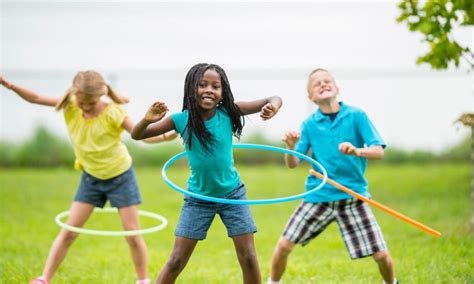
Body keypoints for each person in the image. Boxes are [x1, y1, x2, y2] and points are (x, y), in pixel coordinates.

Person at [0, 71, 176, 284]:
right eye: (81, 102)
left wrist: (166, 136)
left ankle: (143, 280)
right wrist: (11, 86)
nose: (84, 107)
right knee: (69, 232)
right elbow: (36, 98)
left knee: (132, 233)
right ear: (75, 94)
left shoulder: (114, 112)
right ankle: (44, 278)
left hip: (120, 176)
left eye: (90, 104)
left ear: (101, 96)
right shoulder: (70, 104)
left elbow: (139, 136)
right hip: (91, 178)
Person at [131, 63, 283, 284]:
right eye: (202, 85)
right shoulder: (180, 120)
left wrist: (273, 107)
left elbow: (274, 97)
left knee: (249, 257)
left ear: (223, 92)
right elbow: (137, 135)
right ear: (192, 88)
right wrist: (147, 119)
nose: (209, 90)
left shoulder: (230, 112)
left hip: (233, 195)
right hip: (198, 198)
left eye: (215, 86)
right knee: (176, 260)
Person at [268, 68, 397, 284]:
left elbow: (378, 151)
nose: (323, 84)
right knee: (283, 247)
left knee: (382, 255)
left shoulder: (357, 116)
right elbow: (293, 163)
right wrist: (290, 147)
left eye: (327, 81)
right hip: (319, 197)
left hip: (353, 197)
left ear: (337, 88)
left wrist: (357, 151)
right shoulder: (309, 124)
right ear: (311, 97)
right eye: (316, 84)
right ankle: (272, 282)